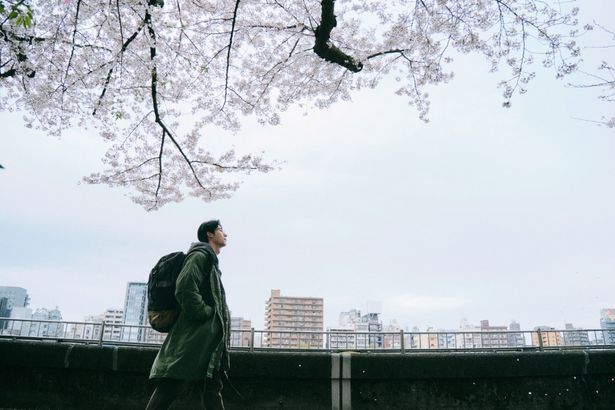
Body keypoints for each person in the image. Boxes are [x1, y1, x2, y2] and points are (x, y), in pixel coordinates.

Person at [146, 220, 231, 410]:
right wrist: (206, 312)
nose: (225, 234)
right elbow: (185, 288)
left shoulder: (209, 260)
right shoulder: (200, 256)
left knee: (211, 388)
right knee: (172, 384)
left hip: (206, 339)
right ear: (209, 234)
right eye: (220, 230)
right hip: (195, 337)